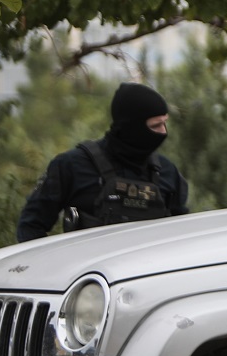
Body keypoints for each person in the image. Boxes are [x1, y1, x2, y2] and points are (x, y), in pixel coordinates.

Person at [17, 82, 190, 242]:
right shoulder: (71, 166)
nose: (163, 132)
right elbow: (31, 227)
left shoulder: (167, 172)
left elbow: (182, 237)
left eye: (164, 123)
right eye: (155, 126)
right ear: (131, 126)